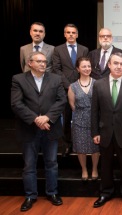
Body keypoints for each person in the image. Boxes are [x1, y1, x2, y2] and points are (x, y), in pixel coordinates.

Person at [11, 52, 67, 212]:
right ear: (30, 63)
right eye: (39, 61)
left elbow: (61, 100)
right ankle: (30, 195)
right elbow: (16, 104)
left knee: (51, 163)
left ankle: (53, 193)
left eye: (44, 61)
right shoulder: (19, 79)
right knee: (29, 165)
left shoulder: (55, 79)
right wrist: (36, 119)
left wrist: (47, 117)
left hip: (50, 128)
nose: (43, 64)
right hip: (29, 128)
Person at [91, 52, 122, 208]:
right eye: (116, 63)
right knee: (105, 166)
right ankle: (105, 193)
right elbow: (94, 111)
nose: (119, 66)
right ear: (109, 65)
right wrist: (95, 132)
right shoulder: (98, 84)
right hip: (104, 132)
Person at [52, 23, 89, 157]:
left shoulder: (84, 49)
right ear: (65, 34)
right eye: (68, 32)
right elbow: (56, 69)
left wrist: (78, 85)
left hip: (82, 87)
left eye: (73, 32)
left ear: (77, 35)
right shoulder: (58, 49)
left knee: (83, 116)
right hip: (64, 87)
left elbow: (85, 67)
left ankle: (83, 142)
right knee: (67, 117)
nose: (71, 35)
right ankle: (68, 144)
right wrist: (68, 86)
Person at [68, 57, 99, 181]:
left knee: (95, 147)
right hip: (79, 121)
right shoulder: (73, 86)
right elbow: (72, 105)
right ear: (78, 69)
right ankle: (84, 169)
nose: (87, 69)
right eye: (84, 66)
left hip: (95, 119)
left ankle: (95, 169)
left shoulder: (98, 84)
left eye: (89, 66)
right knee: (80, 147)